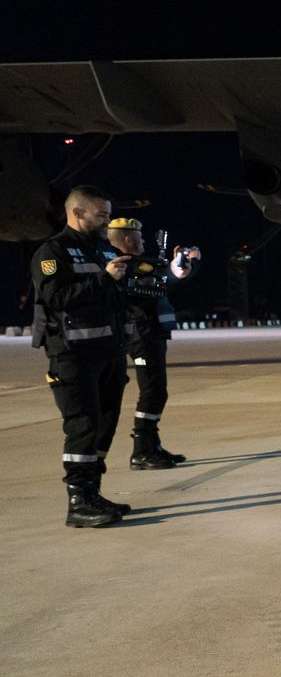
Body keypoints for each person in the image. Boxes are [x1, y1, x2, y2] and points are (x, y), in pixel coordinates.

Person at [31, 185, 134, 527]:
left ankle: (93, 491)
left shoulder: (102, 248)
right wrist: (105, 280)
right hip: (73, 356)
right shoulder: (53, 251)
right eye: (101, 214)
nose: (107, 219)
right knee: (83, 427)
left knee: (105, 424)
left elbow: (113, 295)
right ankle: (78, 502)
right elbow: (56, 297)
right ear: (77, 213)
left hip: (108, 352)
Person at [105, 217, 200, 468]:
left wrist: (183, 267)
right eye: (139, 236)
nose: (144, 240)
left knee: (157, 391)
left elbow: (165, 280)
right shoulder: (122, 265)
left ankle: (151, 444)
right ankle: (141, 450)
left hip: (151, 333)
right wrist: (174, 271)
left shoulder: (140, 265)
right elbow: (156, 283)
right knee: (152, 391)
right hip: (140, 334)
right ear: (128, 239)